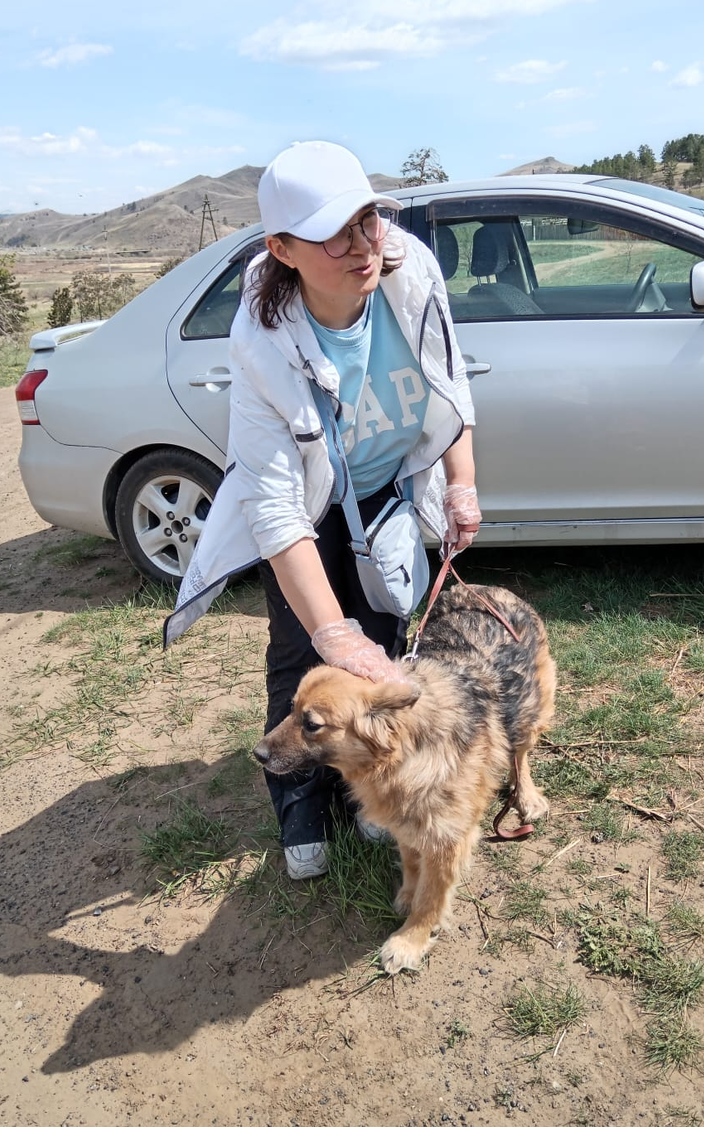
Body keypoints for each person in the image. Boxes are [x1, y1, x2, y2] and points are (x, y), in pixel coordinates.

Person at [165, 140, 480, 878]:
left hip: (386, 487)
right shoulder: (261, 343)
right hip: (307, 507)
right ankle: (300, 798)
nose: (363, 245)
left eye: (368, 220)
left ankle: (365, 783)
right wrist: (331, 631)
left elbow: (449, 381)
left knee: (382, 637)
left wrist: (460, 481)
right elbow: (276, 508)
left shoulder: (412, 273)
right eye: (334, 234)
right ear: (282, 249)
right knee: (304, 653)